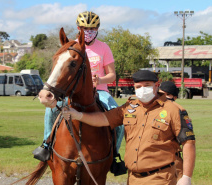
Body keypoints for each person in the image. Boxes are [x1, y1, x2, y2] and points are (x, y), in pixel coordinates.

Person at [63, 70, 196, 185]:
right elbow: (104, 119)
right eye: (138, 86)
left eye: (147, 85)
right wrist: (79, 115)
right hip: (133, 178)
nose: (142, 89)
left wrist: (186, 177)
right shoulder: (129, 107)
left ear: (157, 86)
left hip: (162, 177)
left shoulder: (173, 110)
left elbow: (188, 143)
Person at [34, 11, 124, 160]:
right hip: (73, 92)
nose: (88, 32)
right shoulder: (71, 46)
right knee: (50, 111)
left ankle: (114, 154)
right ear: (78, 28)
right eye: (84, 28)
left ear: (97, 29)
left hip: (99, 91)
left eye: (92, 29)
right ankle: (46, 144)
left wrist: (100, 80)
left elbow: (112, 75)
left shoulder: (104, 48)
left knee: (117, 118)